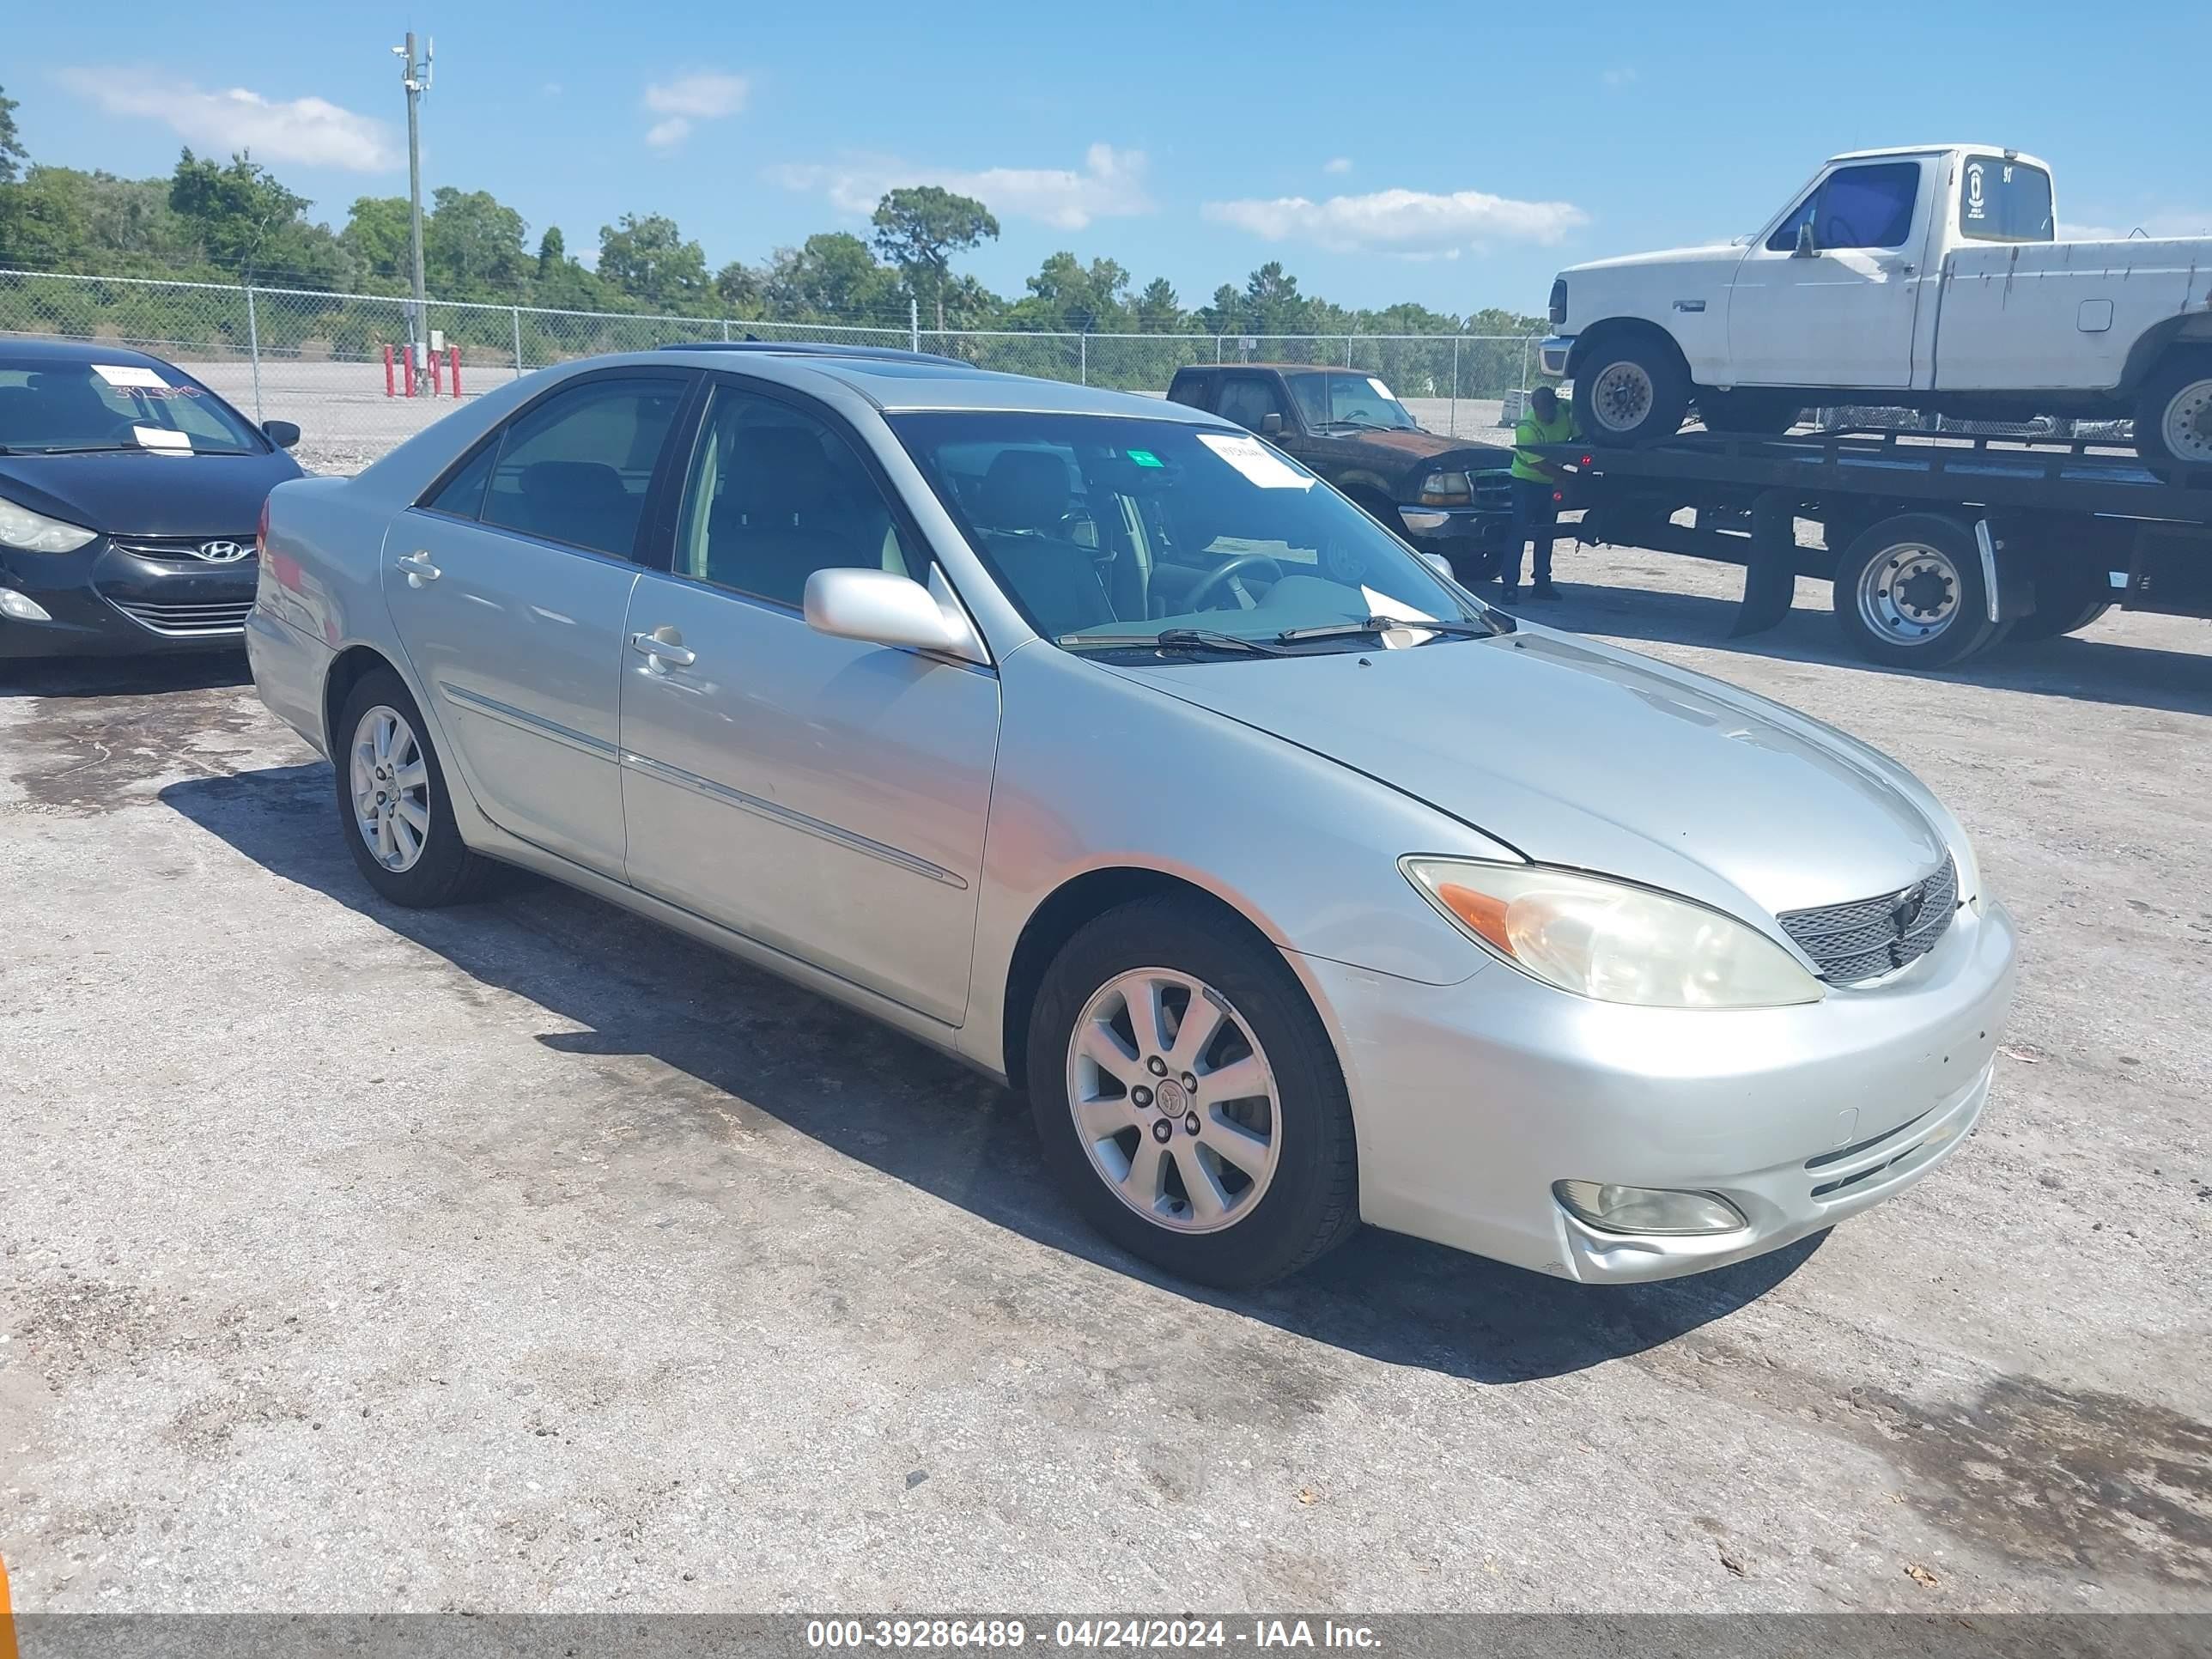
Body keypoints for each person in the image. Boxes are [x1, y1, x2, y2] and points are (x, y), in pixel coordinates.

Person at [1504, 385, 1576, 601]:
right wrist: (1571, 478)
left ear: (1556, 404)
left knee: (1546, 533)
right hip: (1525, 482)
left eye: (1548, 410)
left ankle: (1542, 584)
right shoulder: (1526, 427)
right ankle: (1509, 587)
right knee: (1519, 533)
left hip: (1548, 485)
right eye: (1540, 412)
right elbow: (1541, 465)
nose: (1545, 416)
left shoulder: (1566, 410)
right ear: (1535, 409)